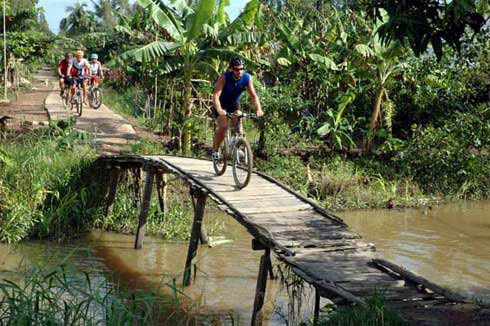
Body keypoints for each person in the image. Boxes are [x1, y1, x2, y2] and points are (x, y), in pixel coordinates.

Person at [212, 56, 264, 161]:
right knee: (223, 127)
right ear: (231, 69)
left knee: (239, 120)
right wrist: (219, 110)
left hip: (234, 103)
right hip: (221, 104)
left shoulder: (247, 78)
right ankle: (216, 150)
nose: (239, 71)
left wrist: (259, 109)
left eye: (241, 69)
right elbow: (216, 96)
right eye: (236, 69)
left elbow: (253, 96)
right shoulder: (224, 78)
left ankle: (239, 146)